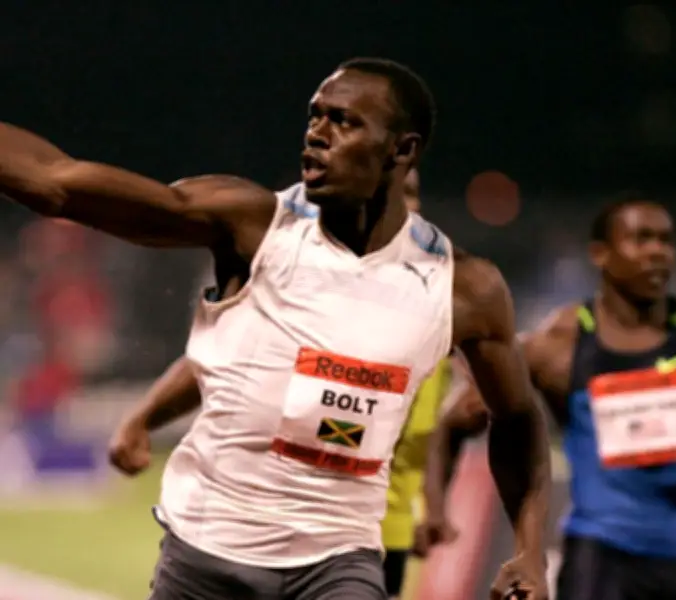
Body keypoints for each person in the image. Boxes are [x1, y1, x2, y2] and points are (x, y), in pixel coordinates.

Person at [0, 57, 551, 600]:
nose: (317, 133)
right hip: (207, 554)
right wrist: (145, 418)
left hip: (339, 561)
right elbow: (58, 184)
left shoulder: (461, 288)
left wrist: (528, 549)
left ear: (402, 150)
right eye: (315, 116)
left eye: (344, 121)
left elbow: (517, 416)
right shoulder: (253, 225)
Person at [420, 196, 676, 600]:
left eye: (665, 241)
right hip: (601, 561)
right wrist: (435, 508)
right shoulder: (559, 346)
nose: (657, 251)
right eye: (641, 239)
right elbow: (456, 420)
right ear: (601, 253)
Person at [109, 168, 456, 600]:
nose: (407, 205)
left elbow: (437, 422)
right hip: (270, 527)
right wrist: (144, 418)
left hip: (373, 532)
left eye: (412, 194)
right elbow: (226, 363)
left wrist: (431, 504)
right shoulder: (309, 282)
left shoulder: (434, 297)